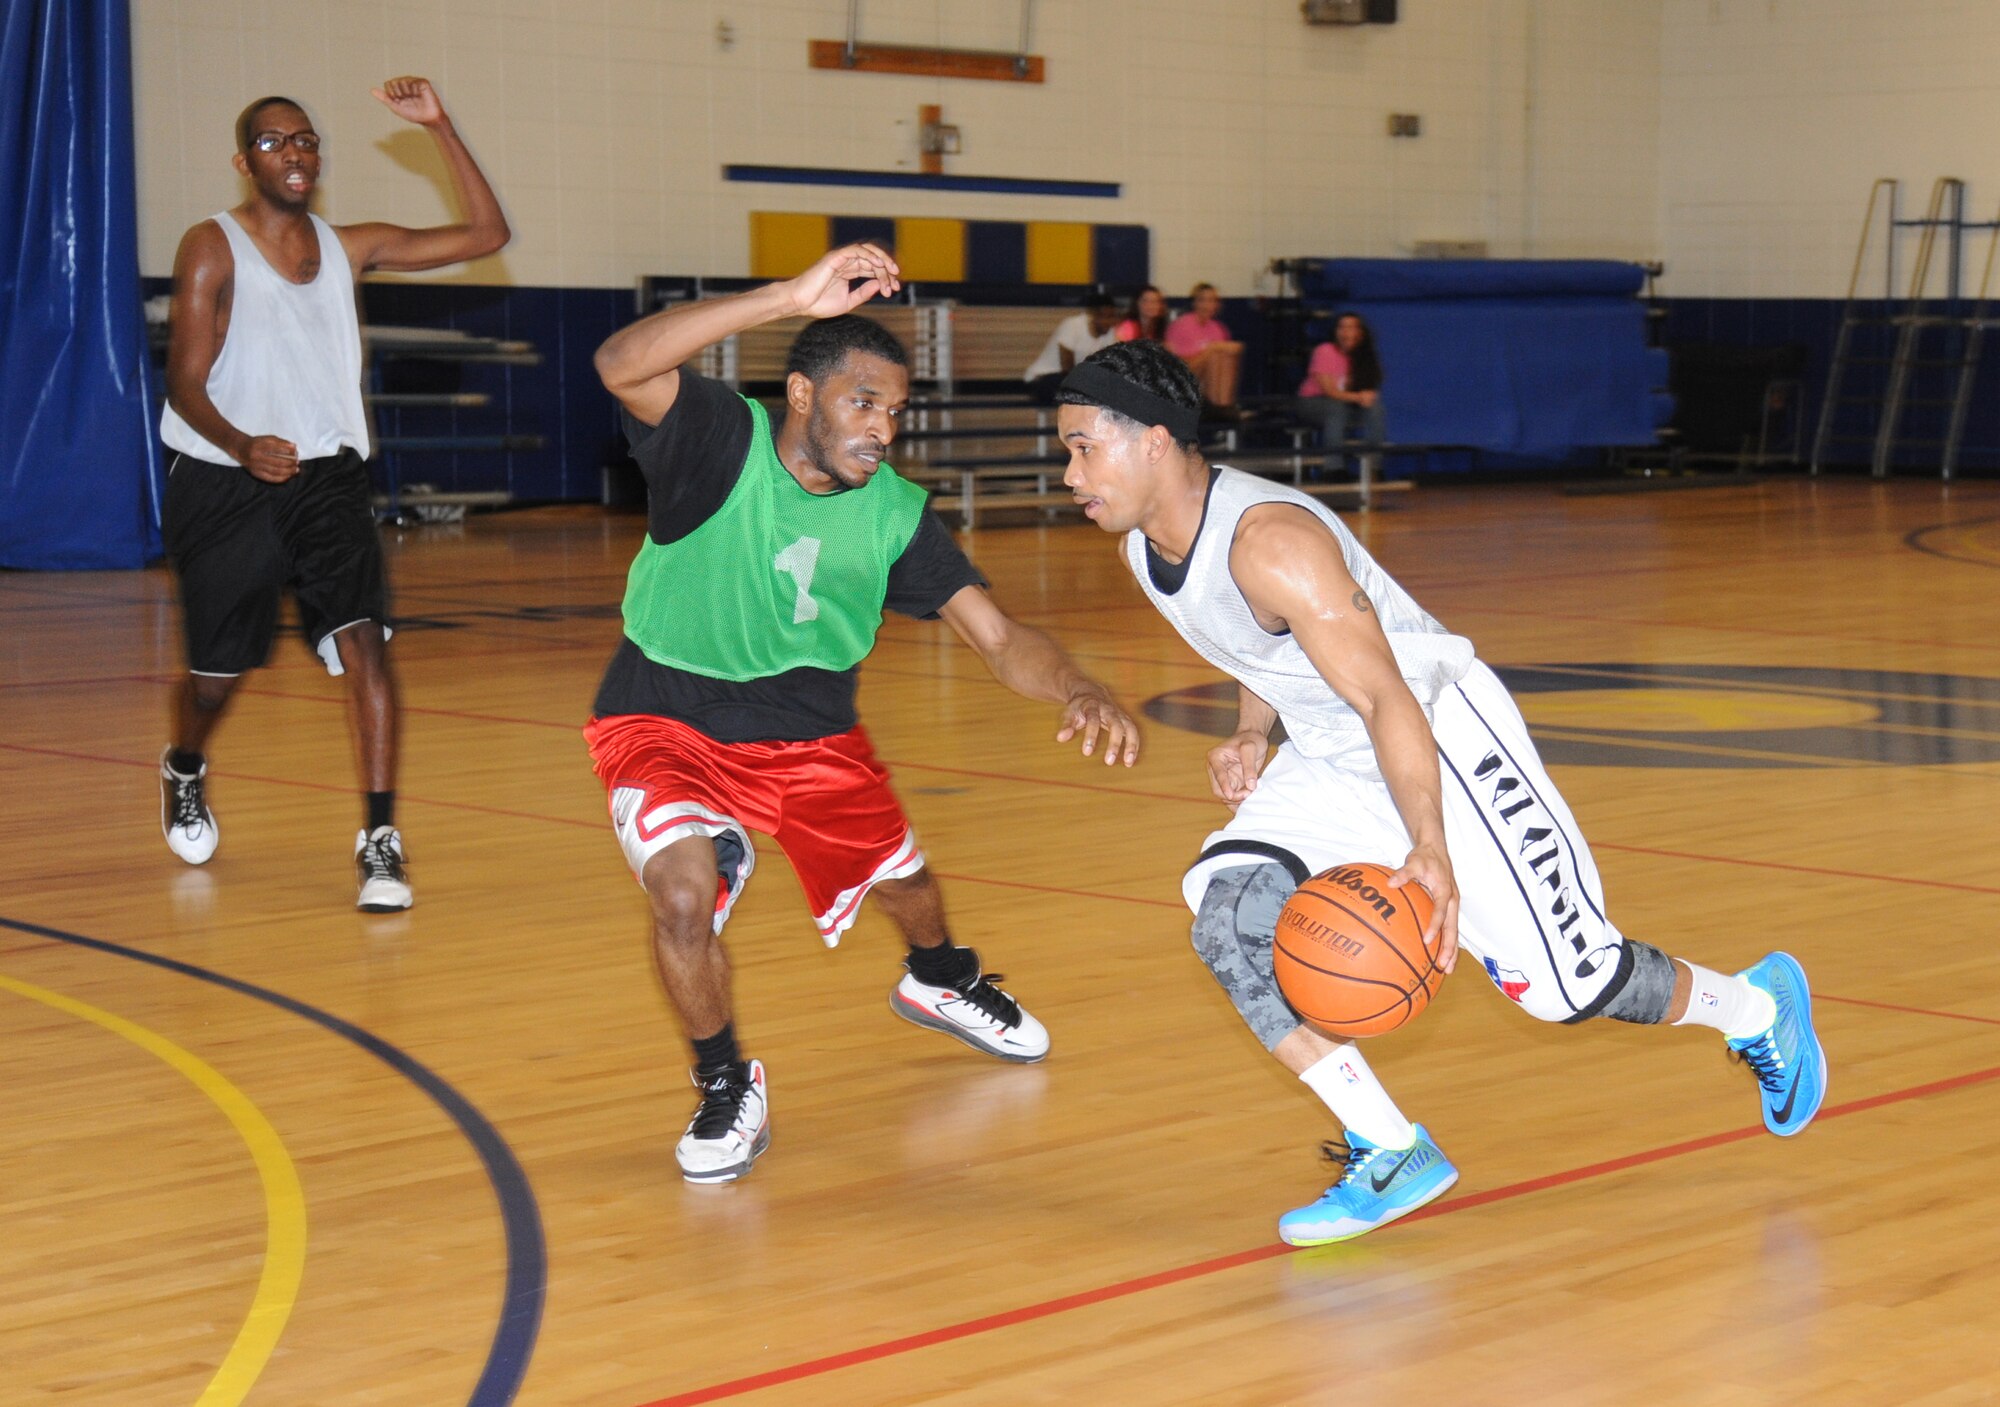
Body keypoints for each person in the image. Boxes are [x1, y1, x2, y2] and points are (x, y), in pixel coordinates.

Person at [1053, 341, 1826, 1245]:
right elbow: (1262, 647)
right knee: (1227, 919)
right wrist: (1252, 733)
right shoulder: (1151, 544)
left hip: (1440, 741)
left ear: (1152, 441)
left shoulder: (1274, 543)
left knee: (1572, 987)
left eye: (1081, 448)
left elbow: (1387, 693)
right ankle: (1388, 1144)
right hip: (1336, 750)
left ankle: (1760, 1008)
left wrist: (1428, 844)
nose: (1070, 472)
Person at [588, 242, 1143, 1184]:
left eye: (895, 409)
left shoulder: (892, 514)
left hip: (808, 733)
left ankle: (942, 978)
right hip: (662, 716)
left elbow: (1000, 638)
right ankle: (727, 1083)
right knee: (682, 901)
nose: (884, 427)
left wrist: (1079, 685)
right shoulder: (720, 437)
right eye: (864, 402)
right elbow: (619, 363)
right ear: (803, 395)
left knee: (910, 888)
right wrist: (785, 297)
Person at [157, 79, 509, 911]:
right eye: (277, 142)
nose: (297, 153)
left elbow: (487, 233)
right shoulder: (211, 246)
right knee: (216, 675)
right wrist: (244, 444)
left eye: (307, 140)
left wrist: (441, 127)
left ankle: (379, 839)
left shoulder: (350, 245)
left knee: (366, 646)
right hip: (223, 472)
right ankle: (184, 764)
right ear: (246, 162)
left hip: (329, 475)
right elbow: (182, 381)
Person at [1296, 312, 1386, 479]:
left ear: (1361, 332)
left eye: (1352, 328)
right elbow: (1330, 391)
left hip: (1346, 403)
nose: (1347, 332)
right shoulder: (1325, 351)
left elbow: (1368, 388)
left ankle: (1375, 465)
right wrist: (1360, 397)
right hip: (1312, 402)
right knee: (1335, 408)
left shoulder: (1365, 356)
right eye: (1342, 327)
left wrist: (1367, 398)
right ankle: (1333, 468)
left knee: (1375, 409)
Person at [1024, 295, 1121, 404]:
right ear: (1092, 315)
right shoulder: (1072, 325)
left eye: (1112, 317)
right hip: (1042, 379)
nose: (1109, 322)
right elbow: (1067, 366)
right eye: (1105, 317)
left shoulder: (1110, 333)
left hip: (1073, 381)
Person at [1164, 282, 1244, 412]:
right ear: (1194, 303)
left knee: (1223, 356)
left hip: (1208, 382)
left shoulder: (1218, 329)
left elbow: (1235, 349)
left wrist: (1215, 349)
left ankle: (1222, 406)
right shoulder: (1181, 325)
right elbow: (1177, 364)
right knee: (1214, 354)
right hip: (1184, 377)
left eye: (1211, 300)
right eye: (1202, 300)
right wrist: (1211, 350)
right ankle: (1216, 405)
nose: (1206, 305)